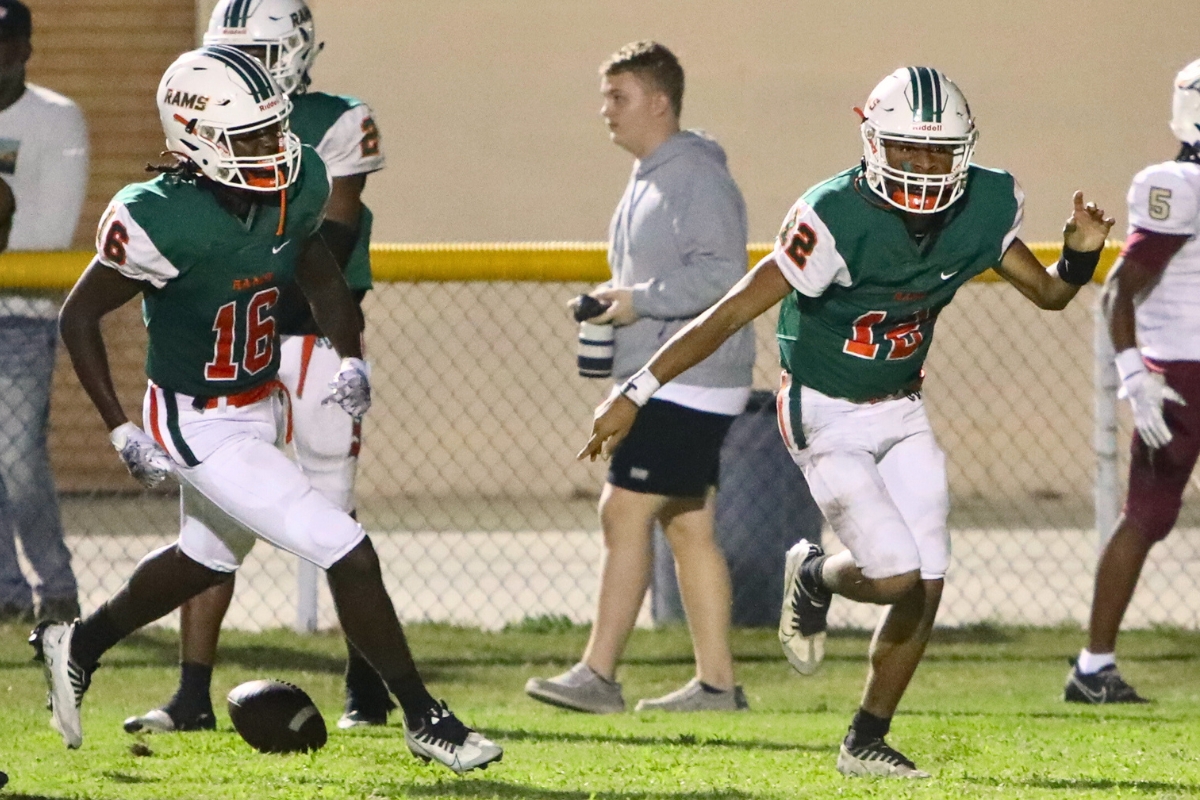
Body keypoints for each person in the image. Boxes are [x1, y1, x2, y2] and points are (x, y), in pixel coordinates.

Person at [580, 66, 1113, 776]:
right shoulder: (832, 214)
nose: (924, 167)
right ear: (872, 142)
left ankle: (865, 739)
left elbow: (1049, 294)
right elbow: (735, 307)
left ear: (963, 150)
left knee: (927, 583)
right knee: (894, 577)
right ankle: (817, 576)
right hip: (824, 412)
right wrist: (638, 390)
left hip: (902, 406)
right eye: (908, 150)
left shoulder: (985, 203)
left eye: (938, 152)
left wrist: (1079, 255)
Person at [34, 45, 501, 774]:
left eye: (273, 128)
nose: (274, 148)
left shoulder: (296, 181)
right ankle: (425, 717)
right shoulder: (158, 215)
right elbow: (78, 317)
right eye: (249, 136)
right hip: (194, 416)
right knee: (345, 544)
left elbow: (315, 267)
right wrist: (121, 427)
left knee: (203, 557)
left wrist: (349, 355)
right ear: (195, 137)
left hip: (255, 400)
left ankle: (78, 644)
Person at [122, 0, 392, 736]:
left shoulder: (335, 120)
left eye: (265, 51)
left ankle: (366, 686)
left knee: (333, 507)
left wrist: (241, 285)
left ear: (300, 52)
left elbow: (326, 246)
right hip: (227, 346)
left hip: (305, 336)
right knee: (209, 518)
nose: (252, 67)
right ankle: (189, 692)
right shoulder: (212, 111)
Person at [525, 41, 754, 714]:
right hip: (673, 373)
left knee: (623, 509)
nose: (606, 111)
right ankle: (717, 686)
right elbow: (673, 275)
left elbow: (722, 274)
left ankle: (598, 676)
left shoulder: (694, 176)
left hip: (691, 374)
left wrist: (638, 300)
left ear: (659, 102)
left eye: (618, 97)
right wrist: (615, 300)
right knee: (686, 524)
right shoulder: (655, 172)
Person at [1065, 58, 1200, 705]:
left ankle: (1092, 668)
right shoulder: (1176, 184)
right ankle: (1093, 667)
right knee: (1144, 516)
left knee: (1145, 517)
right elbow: (1119, 289)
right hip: (1182, 374)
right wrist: (1134, 375)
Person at [0, 0, 87, 625]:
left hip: (22, 313)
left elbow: (50, 234)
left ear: (24, 48)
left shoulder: (56, 119)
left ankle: (56, 585)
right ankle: (5, 590)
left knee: (19, 459)